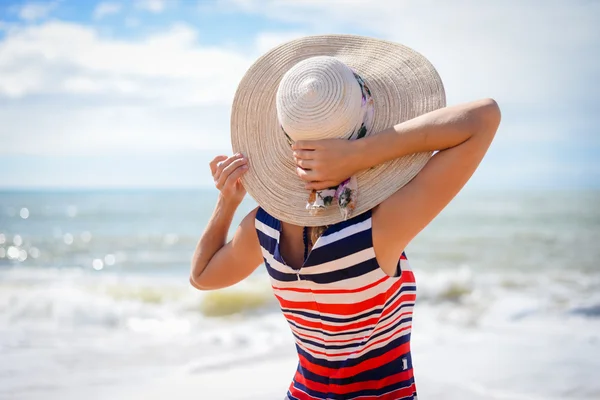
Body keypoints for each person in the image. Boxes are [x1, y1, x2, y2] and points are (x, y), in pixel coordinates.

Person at [190, 35, 501, 400]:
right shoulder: (376, 230)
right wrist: (359, 154)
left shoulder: (264, 226)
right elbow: (484, 117)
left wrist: (227, 201)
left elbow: (202, 277)